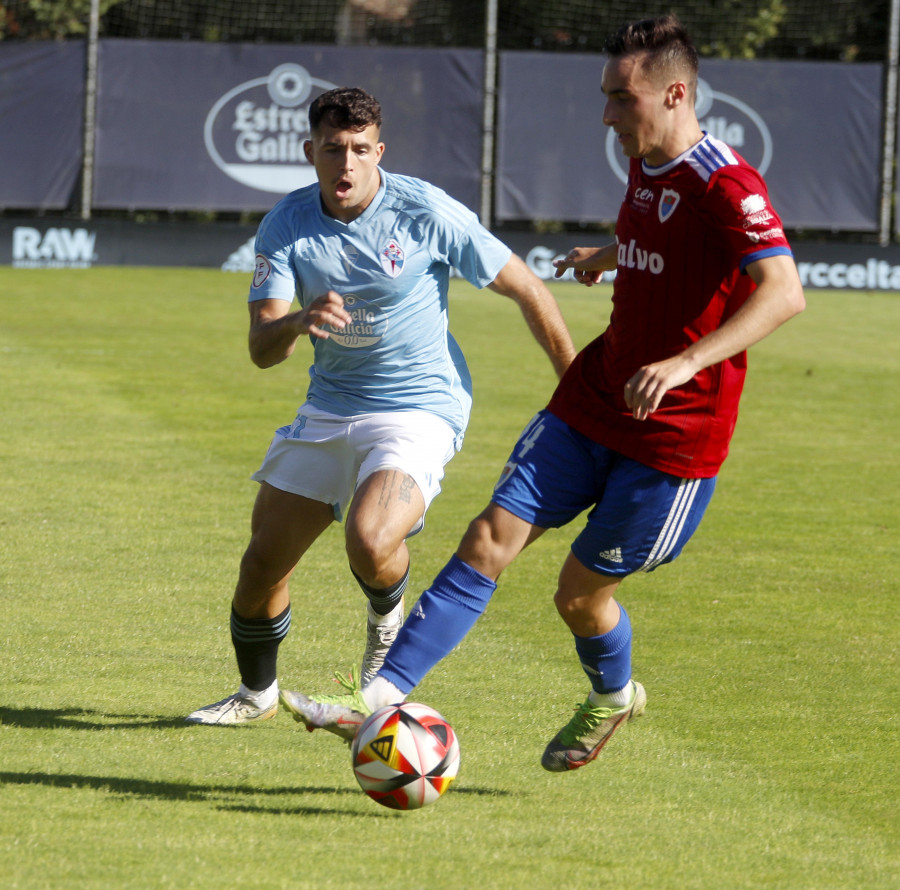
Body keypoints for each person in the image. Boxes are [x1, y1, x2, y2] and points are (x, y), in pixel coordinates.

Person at [279, 15, 806, 771]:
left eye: (621, 99)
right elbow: (664, 234)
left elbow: (783, 291)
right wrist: (608, 253)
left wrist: (688, 363)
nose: (607, 115)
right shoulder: (647, 160)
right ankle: (379, 697)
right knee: (487, 538)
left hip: (673, 436)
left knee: (578, 596)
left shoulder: (727, 183)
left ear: (675, 93)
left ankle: (612, 695)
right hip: (593, 399)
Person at [186, 87, 575, 725]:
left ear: (379, 152)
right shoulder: (286, 223)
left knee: (369, 536)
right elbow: (262, 349)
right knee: (261, 566)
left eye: (360, 150)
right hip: (331, 405)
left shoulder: (423, 209)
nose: (347, 164)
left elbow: (528, 288)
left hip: (420, 406)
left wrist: (574, 385)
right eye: (334, 149)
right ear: (310, 151)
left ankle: (386, 619)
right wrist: (298, 323)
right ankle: (256, 697)